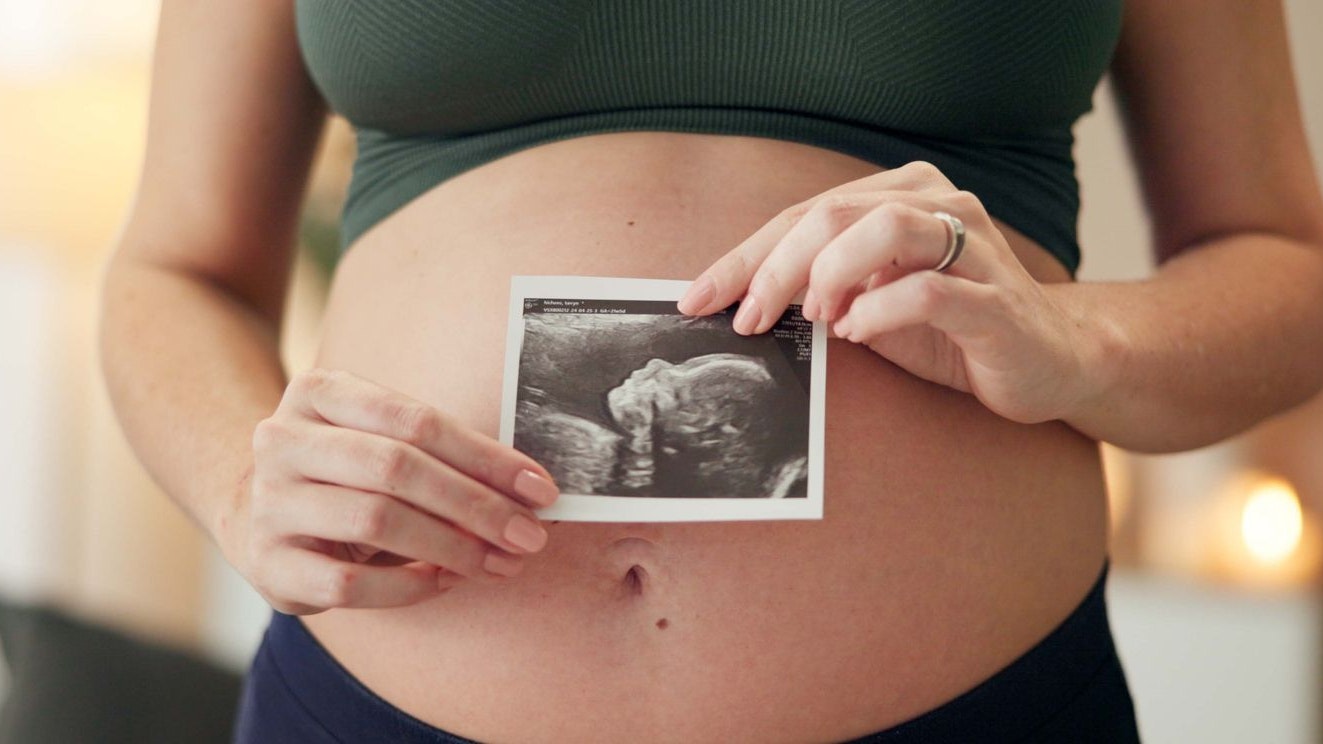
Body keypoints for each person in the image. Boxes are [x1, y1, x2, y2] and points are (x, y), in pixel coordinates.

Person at [98, 1, 1323, 742]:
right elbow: (177, 264)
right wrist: (232, 478)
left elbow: (1287, 270)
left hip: (976, 726)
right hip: (384, 728)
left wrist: (1078, 346)